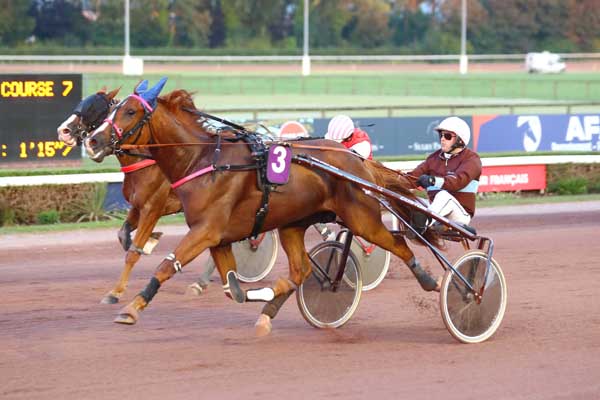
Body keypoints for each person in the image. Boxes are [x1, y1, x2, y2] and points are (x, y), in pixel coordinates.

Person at [410, 116, 482, 232]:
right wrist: (391, 180)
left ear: (460, 139)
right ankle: (415, 226)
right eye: (441, 135)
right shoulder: (433, 158)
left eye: (447, 136)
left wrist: (432, 181)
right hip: (436, 211)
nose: (442, 139)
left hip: (459, 215)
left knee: (443, 196)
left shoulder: (472, 159)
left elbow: (458, 182)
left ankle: (422, 224)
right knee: (408, 199)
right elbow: (412, 177)